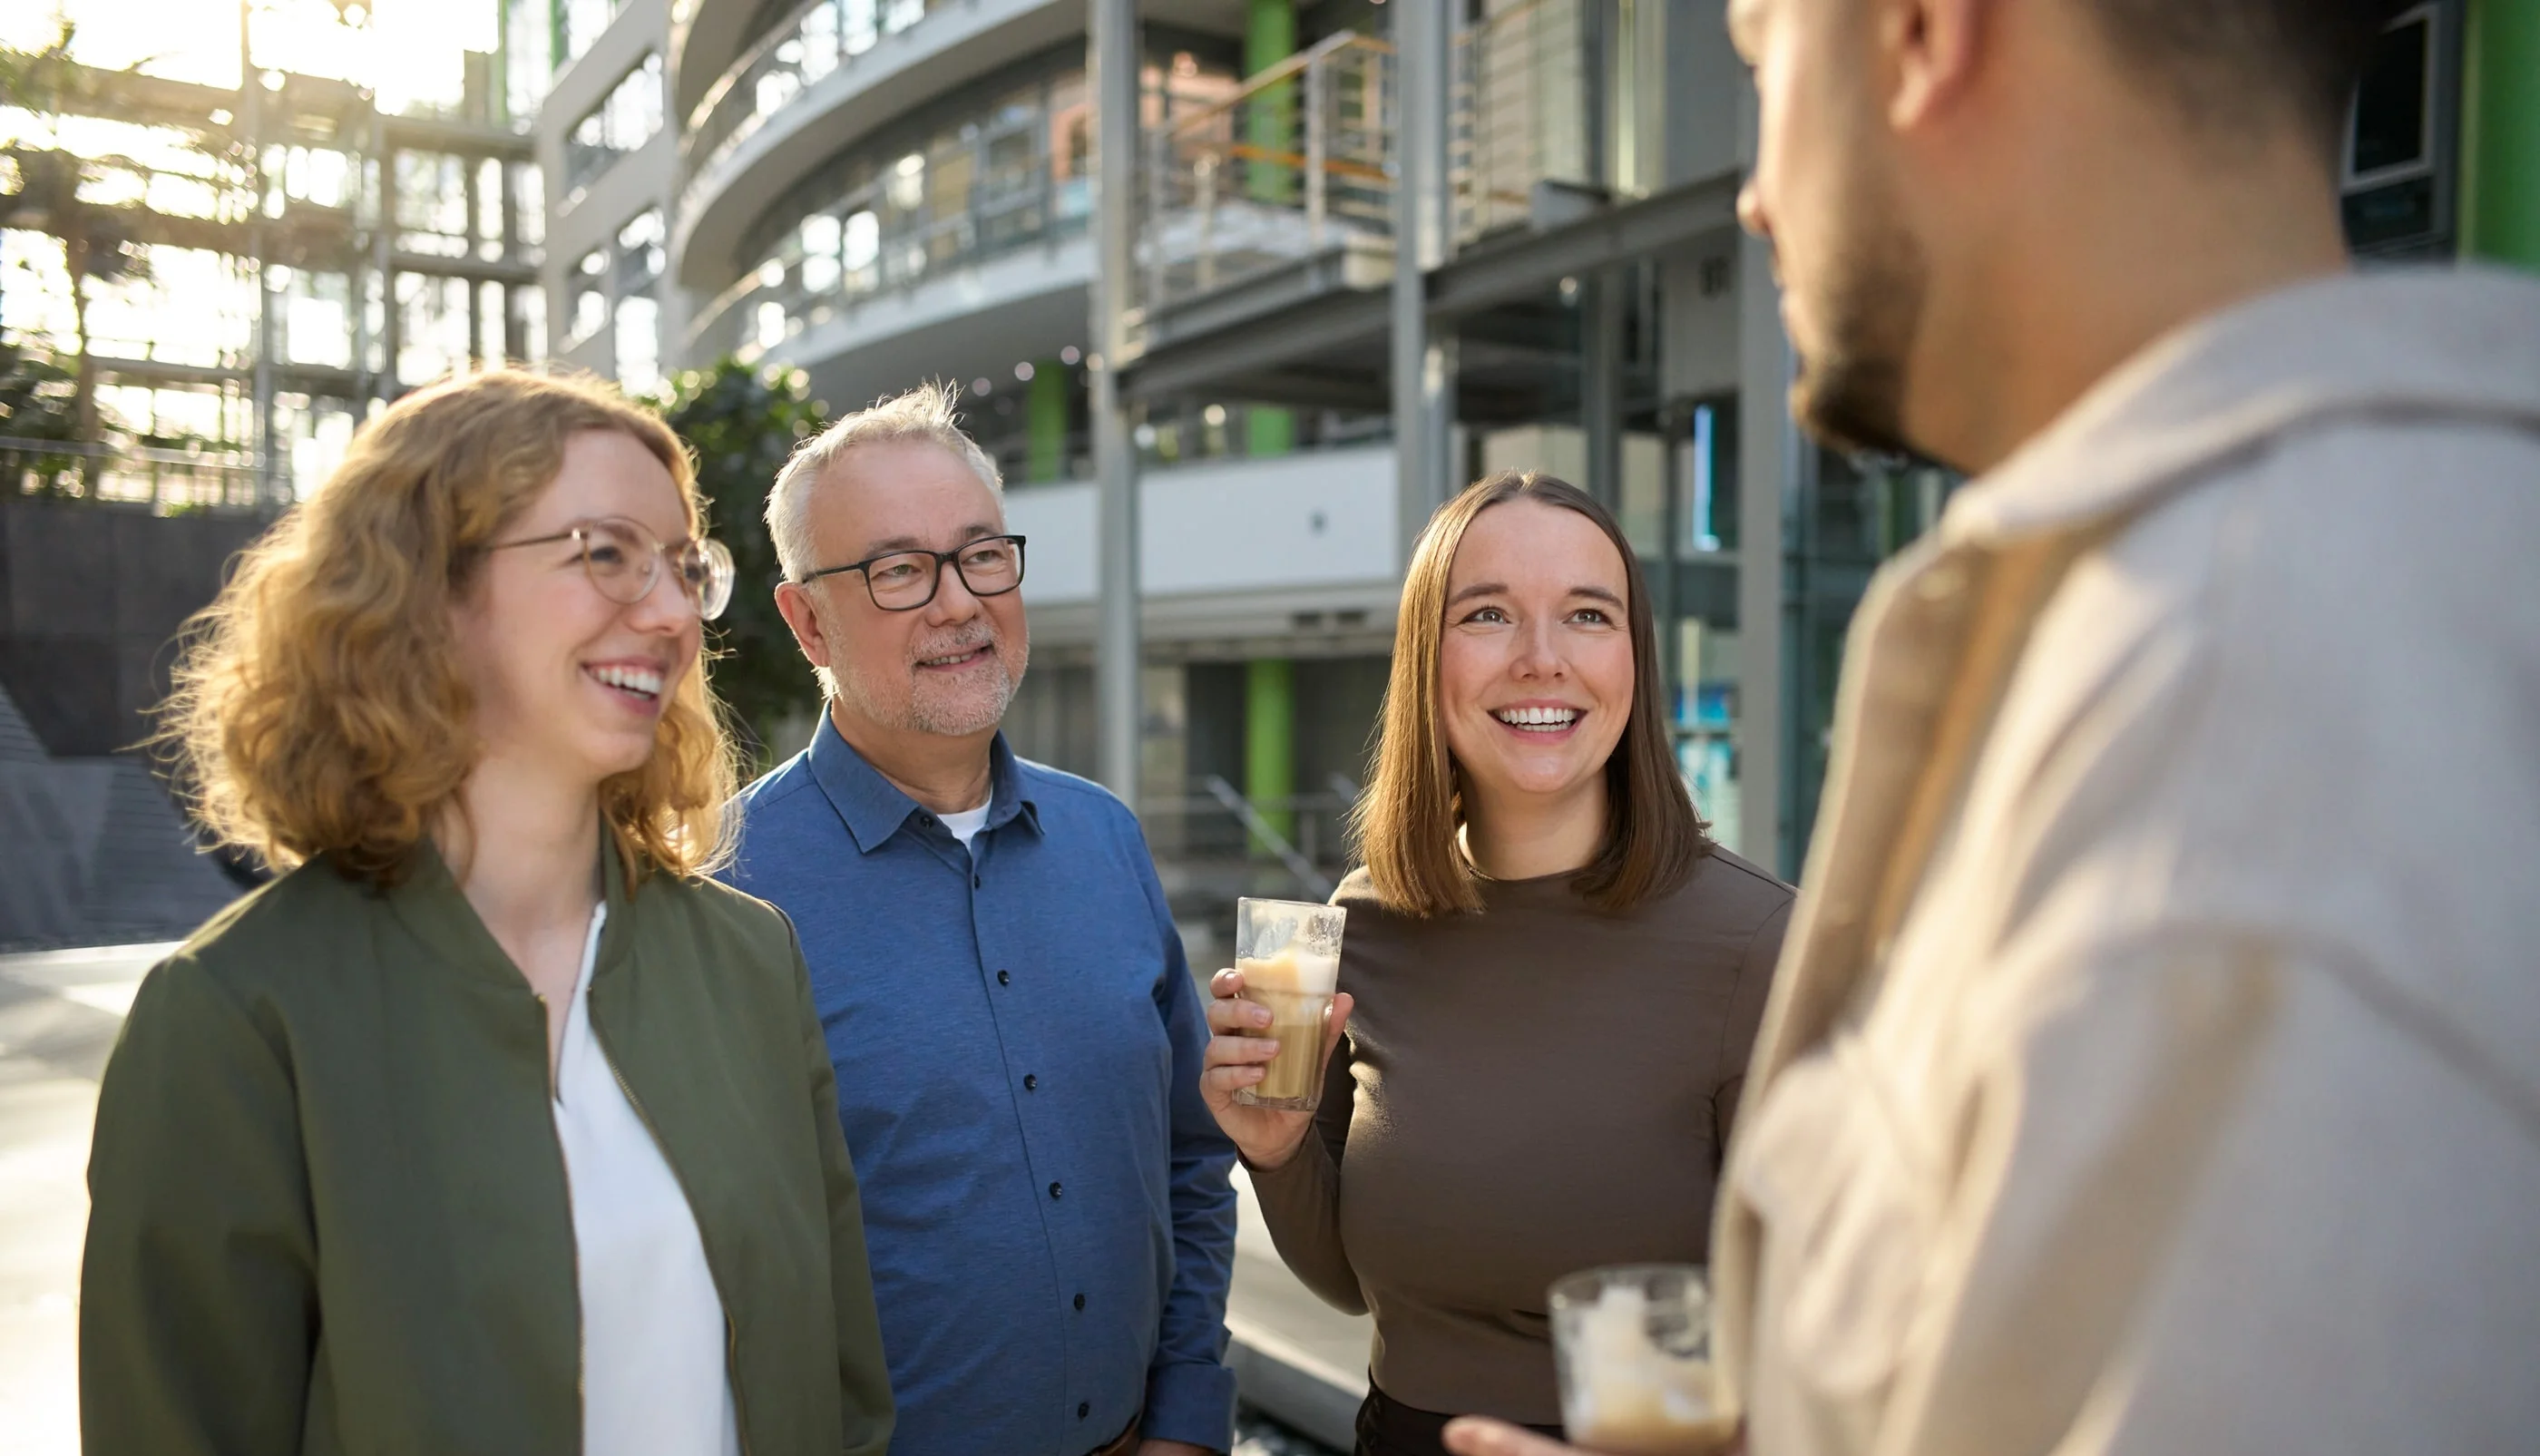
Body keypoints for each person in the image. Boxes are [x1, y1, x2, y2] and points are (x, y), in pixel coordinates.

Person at [1444, 0, 2540, 1454]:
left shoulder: (2225, 748)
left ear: (1918, 31)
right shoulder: (2271, 625)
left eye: (1765, 67)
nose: (1758, 198)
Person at [81, 368, 895, 1455]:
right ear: (427, 591)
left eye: (682, 566)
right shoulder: (236, 1017)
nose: (665, 611)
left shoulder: (750, 960)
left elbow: (843, 1406)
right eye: (605, 553)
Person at [1202, 472, 1793, 1456]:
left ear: (1633, 661)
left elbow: (1842, 1335)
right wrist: (1273, 1152)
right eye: (1488, 615)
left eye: (1586, 615)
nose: (1541, 659)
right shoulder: (1363, 923)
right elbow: (1353, 1286)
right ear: (1425, 662)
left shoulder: (1760, 944)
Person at [722, 381, 1237, 1456]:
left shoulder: (1106, 841)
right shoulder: (717, 892)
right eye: (899, 570)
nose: (957, 602)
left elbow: (1191, 1161)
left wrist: (1189, 1418)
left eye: (981, 555)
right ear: (808, 619)